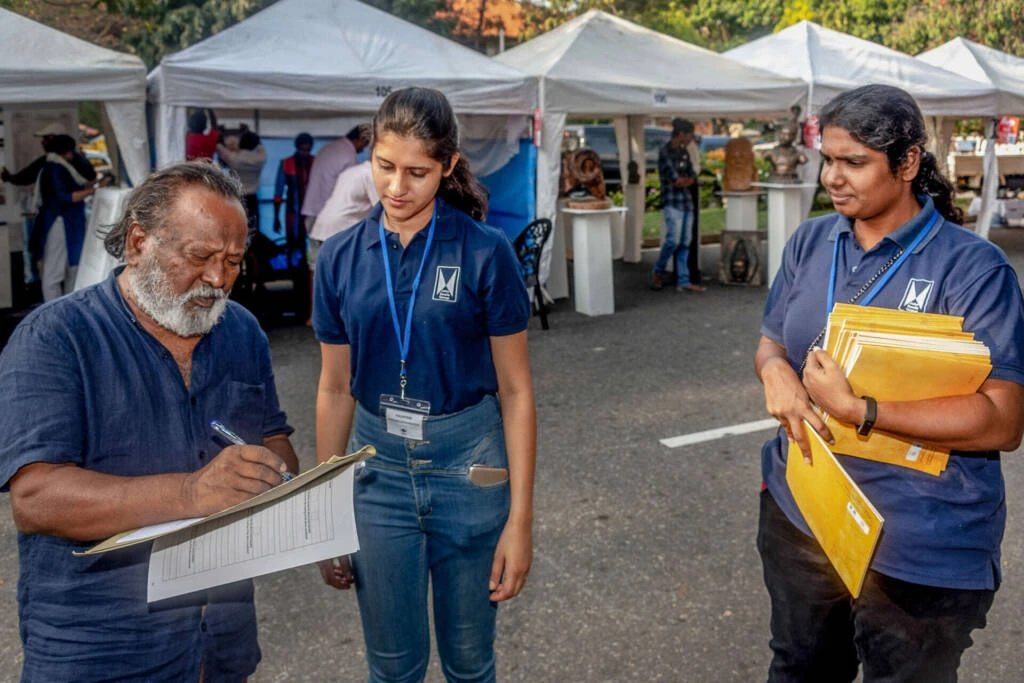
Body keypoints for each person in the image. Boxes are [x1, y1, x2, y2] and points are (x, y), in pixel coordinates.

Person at [755, 84, 1024, 682]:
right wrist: (776, 374)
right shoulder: (811, 240)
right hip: (803, 512)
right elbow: (773, 340)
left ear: (906, 163)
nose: (833, 177)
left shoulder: (973, 269)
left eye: (854, 162)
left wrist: (862, 409)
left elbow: (1003, 421)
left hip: (917, 545)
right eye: (828, 158)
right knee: (799, 669)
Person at [0, 160, 299, 681]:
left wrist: (281, 478)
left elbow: (274, 437)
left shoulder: (242, 332)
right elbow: (36, 499)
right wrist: (190, 493)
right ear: (138, 242)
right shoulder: (55, 337)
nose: (217, 279)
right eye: (200, 256)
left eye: (233, 261)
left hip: (221, 638)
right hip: (102, 647)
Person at [312, 87, 536, 683]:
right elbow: (335, 389)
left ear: (449, 166)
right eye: (384, 167)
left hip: (470, 468)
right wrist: (324, 508)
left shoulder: (486, 253)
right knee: (393, 669)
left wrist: (521, 520)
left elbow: (516, 392)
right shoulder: (338, 258)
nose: (396, 187)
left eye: (418, 172)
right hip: (375, 472)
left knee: (469, 663)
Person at [29, 134, 97, 301]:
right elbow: (66, 196)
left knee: (63, 269)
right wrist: (92, 191)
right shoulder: (56, 169)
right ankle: (52, 314)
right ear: (66, 152)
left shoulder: (55, 166)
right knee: (54, 272)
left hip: (61, 222)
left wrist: (90, 187)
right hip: (59, 223)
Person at [651, 117, 705, 292]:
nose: (691, 137)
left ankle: (684, 280)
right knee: (673, 241)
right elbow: (677, 180)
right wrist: (686, 180)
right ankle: (658, 270)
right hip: (673, 202)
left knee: (685, 243)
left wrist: (686, 180)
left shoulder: (684, 152)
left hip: (686, 203)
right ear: (681, 134)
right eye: (689, 134)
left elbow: (691, 176)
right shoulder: (665, 152)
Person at [308, 159, 378, 268]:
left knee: (317, 272)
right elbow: (382, 209)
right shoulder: (371, 174)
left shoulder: (350, 172)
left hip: (320, 228)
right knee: (346, 275)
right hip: (341, 231)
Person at [301, 123, 371, 230]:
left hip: (312, 212)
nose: (362, 150)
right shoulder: (349, 156)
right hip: (329, 217)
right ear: (359, 140)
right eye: (364, 145)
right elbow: (352, 192)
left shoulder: (327, 148)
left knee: (314, 246)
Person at [2, 122, 98, 188]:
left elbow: (27, 176)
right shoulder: (78, 158)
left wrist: (9, 178)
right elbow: (27, 175)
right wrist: (10, 178)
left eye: (46, 138)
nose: (43, 142)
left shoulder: (50, 161)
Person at [273, 132, 316, 248]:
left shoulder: (316, 162)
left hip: (312, 209)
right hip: (293, 209)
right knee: (292, 240)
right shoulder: (286, 163)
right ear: (297, 148)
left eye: (307, 150)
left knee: (312, 241)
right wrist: (276, 217)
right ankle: (293, 264)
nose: (305, 154)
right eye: (302, 150)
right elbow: (278, 192)